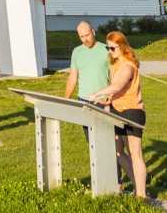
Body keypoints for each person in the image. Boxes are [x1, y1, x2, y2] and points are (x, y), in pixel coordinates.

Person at [85, 31, 148, 199]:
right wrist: (105, 102)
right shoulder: (116, 65)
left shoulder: (128, 65)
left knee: (135, 154)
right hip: (117, 112)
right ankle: (139, 187)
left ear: (122, 46)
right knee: (118, 152)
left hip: (131, 112)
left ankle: (141, 194)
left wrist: (97, 93)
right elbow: (114, 92)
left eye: (113, 48)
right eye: (108, 48)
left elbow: (119, 86)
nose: (110, 51)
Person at [64, 21, 122, 188]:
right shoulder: (77, 52)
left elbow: (115, 78)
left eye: (87, 35)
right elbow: (72, 78)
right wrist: (66, 99)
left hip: (102, 102)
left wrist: (108, 100)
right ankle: (101, 180)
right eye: (81, 37)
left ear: (94, 32)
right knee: (93, 144)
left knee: (109, 143)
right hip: (84, 101)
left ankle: (116, 182)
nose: (85, 39)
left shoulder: (106, 50)